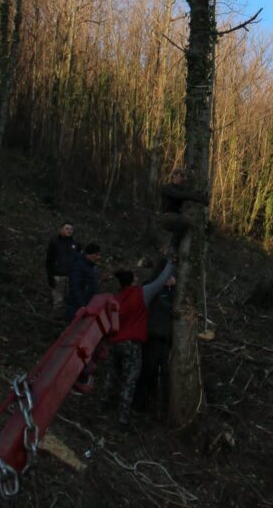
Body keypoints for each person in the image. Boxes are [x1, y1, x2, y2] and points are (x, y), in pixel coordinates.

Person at [102, 260, 175, 428]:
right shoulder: (141, 294)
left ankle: (104, 403)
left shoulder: (117, 297)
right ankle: (122, 418)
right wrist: (170, 262)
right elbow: (160, 280)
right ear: (133, 281)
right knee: (130, 379)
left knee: (112, 375)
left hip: (115, 342)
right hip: (132, 344)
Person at [135, 271, 176, 416]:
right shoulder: (155, 292)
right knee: (147, 370)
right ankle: (138, 403)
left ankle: (154, 407)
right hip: (152, 338)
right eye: (169, 277)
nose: (171, 279)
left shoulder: (174, 294)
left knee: (161, 374)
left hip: (165, 340)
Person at [160, 168, 208, 249]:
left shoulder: (182, 189)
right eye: (181, 176)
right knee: (184, 221)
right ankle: (173, 247)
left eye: (184, 177)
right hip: (167, 216)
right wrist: (197, 197)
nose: (182, 179)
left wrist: (201, 198)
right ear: (174, 175)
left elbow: (186, 194)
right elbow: (179, 195)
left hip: (177, 218)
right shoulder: (167, 188)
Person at [45, 222, 80, 310]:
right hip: (58, 276)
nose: (69, 231)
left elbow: (79, 260)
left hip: (72, 277)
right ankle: (56, 319)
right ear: (61, 229)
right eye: (67, 228)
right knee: (58, 302)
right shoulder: (54, 243)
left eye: (71, 229)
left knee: (71, 301)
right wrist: (50, 276)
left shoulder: (76, 244)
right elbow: (49, 261)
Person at [67, 242, 102, 322]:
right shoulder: (78, 266)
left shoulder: (91, 266)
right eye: (96, 255)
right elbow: (75, 287)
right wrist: (81, 305)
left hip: (89, 304)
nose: (99, 257)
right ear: (89, 254)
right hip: (78, 306)